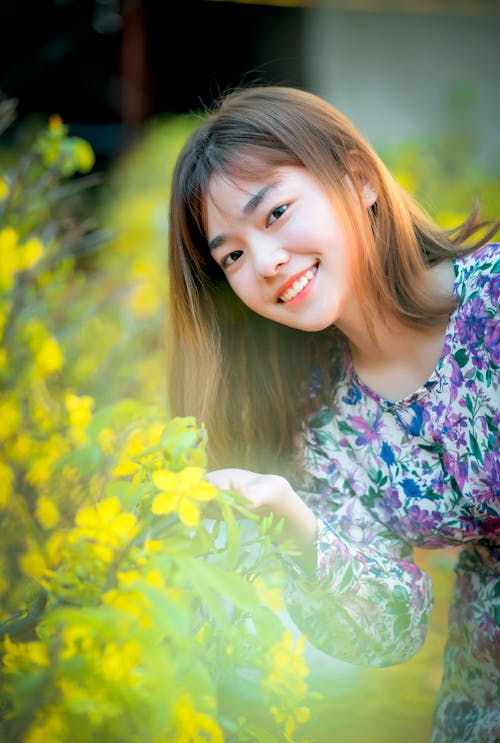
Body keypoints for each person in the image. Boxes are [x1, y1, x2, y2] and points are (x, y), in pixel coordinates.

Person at [166, 85, 499, 742]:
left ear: (359, 178)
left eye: (277, 213)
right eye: (230, 254)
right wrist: (295, 519)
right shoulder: (324, 420)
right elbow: (390, 625)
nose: (263, 263)